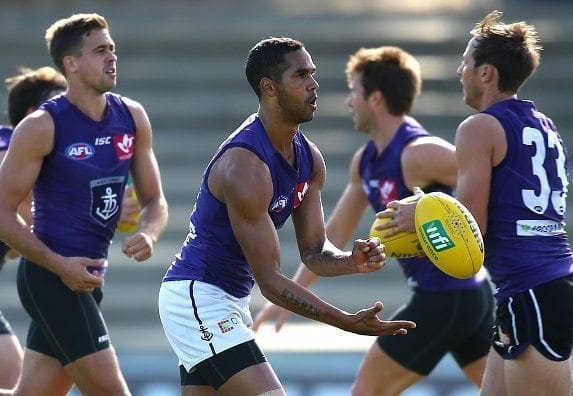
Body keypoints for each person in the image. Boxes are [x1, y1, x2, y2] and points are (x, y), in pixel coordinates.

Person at [158, 37, 416, 396]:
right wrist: (343, 321)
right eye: (301, 75)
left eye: (313, 73)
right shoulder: (245, 166)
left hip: (227, 300)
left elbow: (314, 252)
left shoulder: (309, 158)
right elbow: (272, 282)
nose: (314, 85)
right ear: (269, 88)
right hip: (198, 298)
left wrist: (351, 261)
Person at [252, 46, 494, 395]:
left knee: (365, 392)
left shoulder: (418, 153)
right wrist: (289, 296)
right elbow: (333, 233)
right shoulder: (365, 161)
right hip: (467, 297)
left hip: (445, 296)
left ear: (375, 99)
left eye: (354, 92)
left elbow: (489, 173)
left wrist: (440, 215)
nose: (350, 102)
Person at [380, 11, 573, 395]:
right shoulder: (544, 124)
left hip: (530, 288)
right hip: (545, 284)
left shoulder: (478, 127)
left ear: (486, 73)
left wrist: (418, 216)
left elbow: (470, 229)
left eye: (466, 62)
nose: (459, 71)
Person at [0, 13, 168, 396]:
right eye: (100, 51)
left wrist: (149, 234)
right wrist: (58, 264)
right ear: (71, 64)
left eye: (112, 49)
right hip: (51, 279)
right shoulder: (39, 127)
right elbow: (1, 217)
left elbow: (154, 200)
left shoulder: (132, 116)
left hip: (87, 279)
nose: (112, 57)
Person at [0, 66, 66, 389]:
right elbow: (43, 239)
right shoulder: (11, 161)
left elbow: (17, 244)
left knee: (17, 387)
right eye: (61, 109)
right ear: (33, 115)